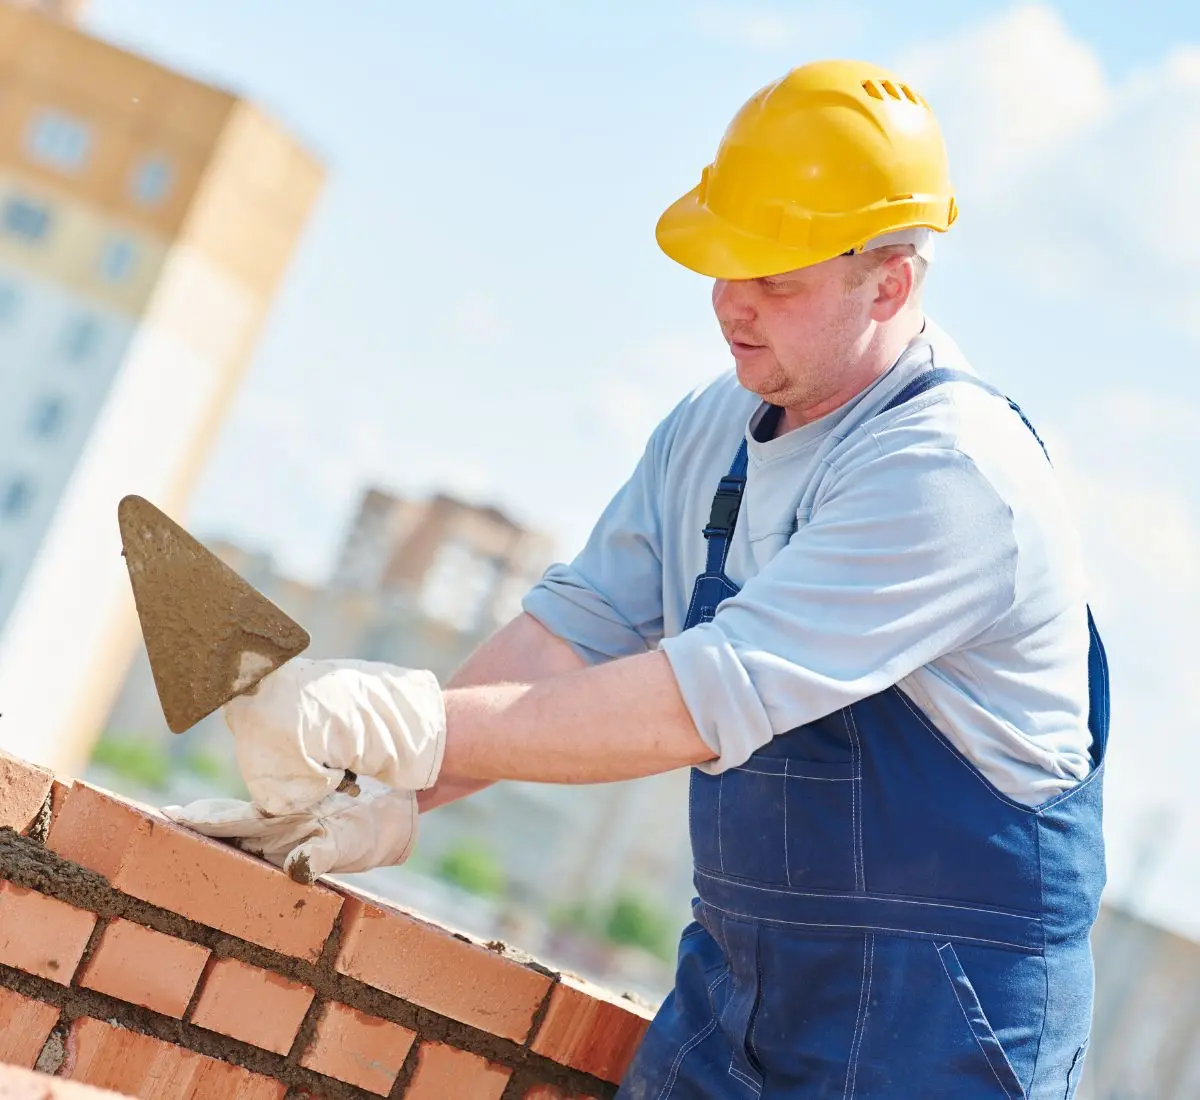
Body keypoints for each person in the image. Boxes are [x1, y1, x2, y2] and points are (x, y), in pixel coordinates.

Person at [167, 59, 1110, 1099]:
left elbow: (700, 701)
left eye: (776, 281)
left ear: (889, 282)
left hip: (938, 1035)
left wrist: (406, 720)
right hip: (741, 993)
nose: (732, 306)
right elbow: (573, 634)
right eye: (725, 267)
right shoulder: (713, 428)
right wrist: (387, 796)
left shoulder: (953, 474)